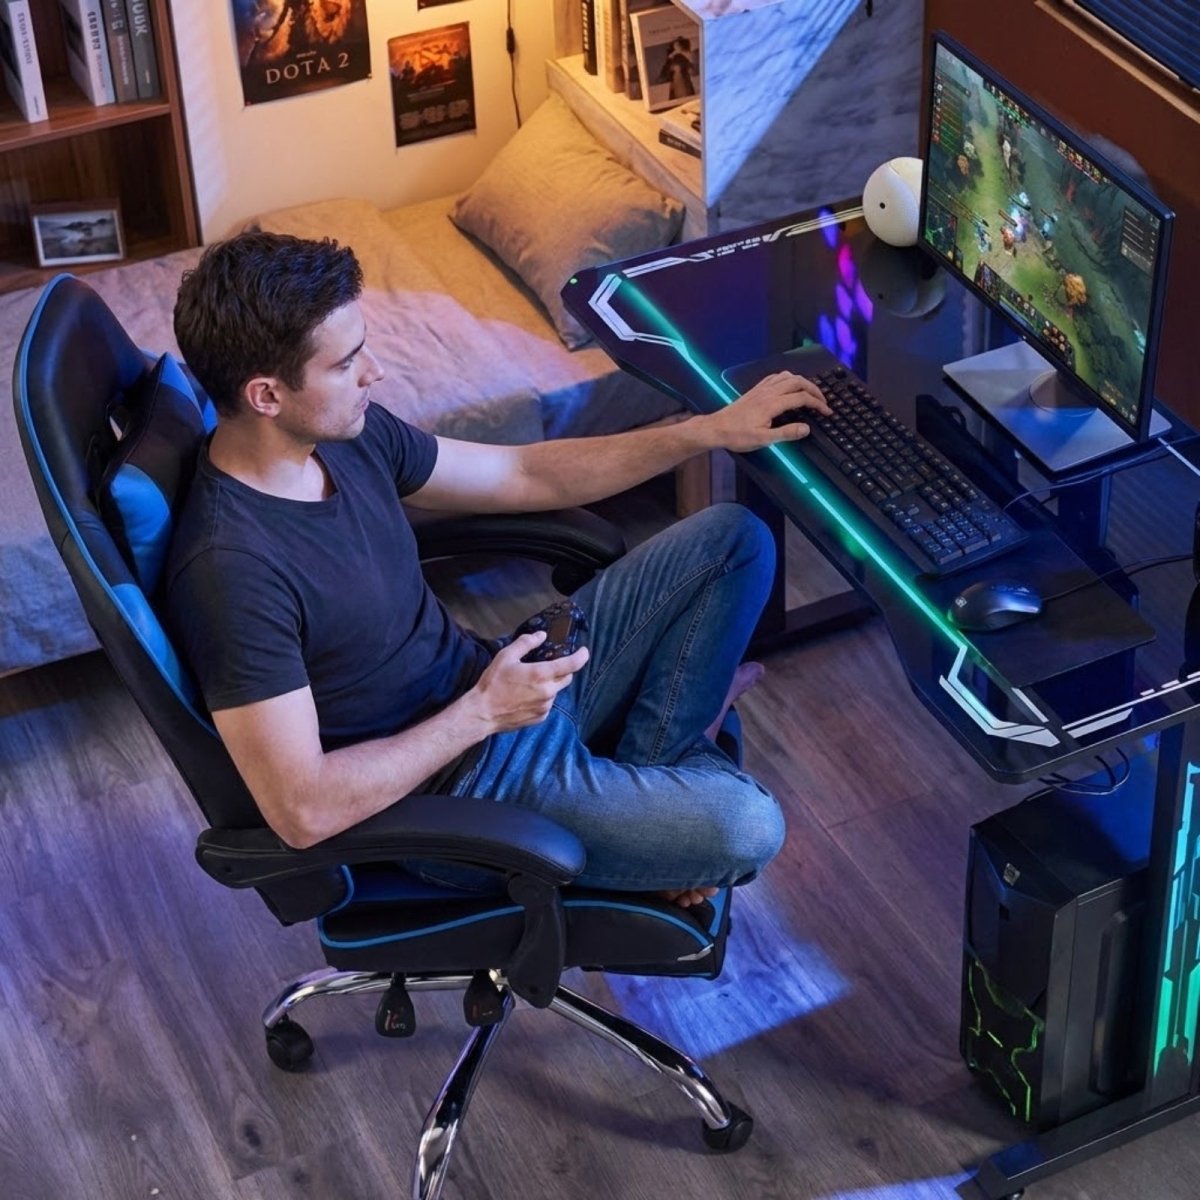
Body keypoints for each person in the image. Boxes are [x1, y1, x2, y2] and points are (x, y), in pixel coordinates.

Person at [165, 231, 830, 907]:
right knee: (749, 825)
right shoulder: (231, 572)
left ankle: (654, 782)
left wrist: (706, 430)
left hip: (501, 677)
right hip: (463, 793)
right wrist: (483, 713)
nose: (374, 373)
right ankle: (673, 762)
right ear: (267, 395)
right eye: (345, 364)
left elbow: (522, 473)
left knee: (736, 539)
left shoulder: (342, 439)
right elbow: (302, 810)